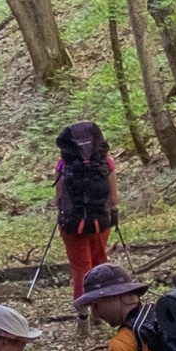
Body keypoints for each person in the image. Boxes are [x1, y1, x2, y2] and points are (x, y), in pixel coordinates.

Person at [53, 121, 117, 300]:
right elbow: (114, 199)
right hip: (101, 222)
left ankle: (83, 319)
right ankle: (100, 311)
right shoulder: (106, 162)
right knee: (99, 263)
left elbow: (58, 199)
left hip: (72, 224)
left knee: (81, 267)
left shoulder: (63, 164)